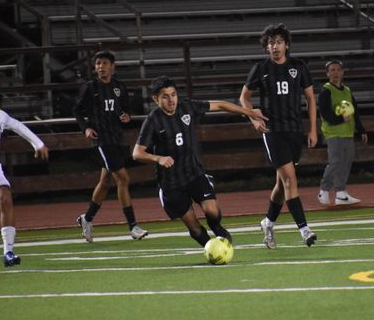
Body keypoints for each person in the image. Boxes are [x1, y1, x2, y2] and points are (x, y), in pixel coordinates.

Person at [132, 76, 267, 248]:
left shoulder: (187, 107)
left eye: (173, 94)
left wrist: (250, 112)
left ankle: (215, 226)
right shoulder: (153, 120)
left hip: (193, 173)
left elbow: (219, 104)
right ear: (155, 99)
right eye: (165, 96)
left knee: (212, 210)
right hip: (171, 183)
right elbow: (137, 153)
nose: (171, 100)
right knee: (194, 226)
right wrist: (158, 158)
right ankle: (211, 249)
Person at [239, 23, 318, 249]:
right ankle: (304, 230)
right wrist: (253, 118)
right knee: (290, 180)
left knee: (282, 184)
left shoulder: (299, 67)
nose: (275, 46)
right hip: (272, 131)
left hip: (294, 130)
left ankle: (268, 222)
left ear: (287, 45)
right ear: (267, 47)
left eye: (279, 42)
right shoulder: (260, 68)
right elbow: (244, 97)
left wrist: (312, 128)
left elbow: (311, 99)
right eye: (271, 43)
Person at [73, 50, 148, 242]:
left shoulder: (119, 87)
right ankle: (133, 226)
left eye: (105, 63)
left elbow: (126, 110)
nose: (101, 67)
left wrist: (126, 116)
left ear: (112, 66)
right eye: (98, 63)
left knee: (105, 182)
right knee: (123, 178)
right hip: (102, 139)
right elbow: (77, 110)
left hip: (116, 138)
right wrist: (86, 128)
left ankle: (86, 218)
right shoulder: (91, 87)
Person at [0, 84, 49, 267]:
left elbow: (18, 126)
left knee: (5, 199)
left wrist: (38, 144)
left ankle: (8, 252)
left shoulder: (1, 117)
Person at [317, 59, 368, 206]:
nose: (335, 73)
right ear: (327, 74)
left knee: (346, 162)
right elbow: (326, 114)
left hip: (348, 132)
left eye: (338, 70)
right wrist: (341, 118)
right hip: (333, 133)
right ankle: (324, 190)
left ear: (342, 72)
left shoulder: (347, 91)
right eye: (332, 70)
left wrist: (361, 129)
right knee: (335, 162)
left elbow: (355, 111)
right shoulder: (326, 91)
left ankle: (340, 193)